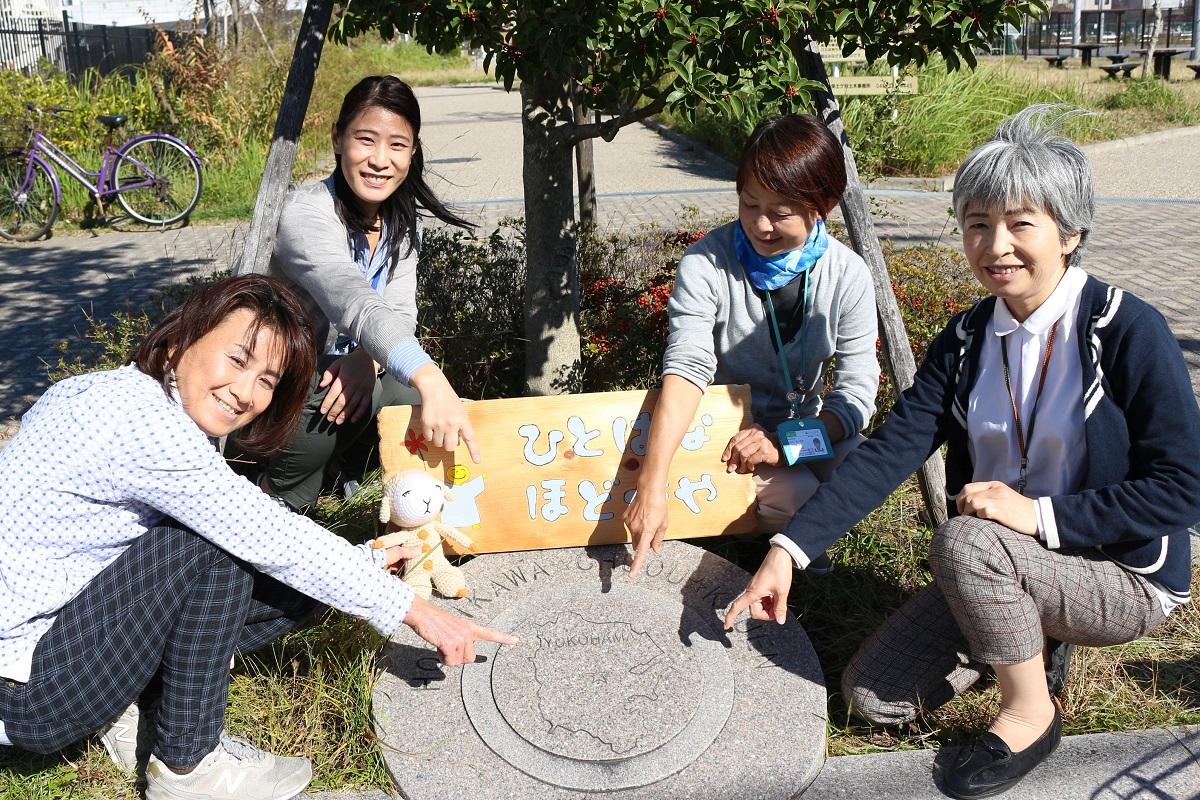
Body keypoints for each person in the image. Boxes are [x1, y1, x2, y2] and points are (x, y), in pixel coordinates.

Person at [723, 104, 1200, 799]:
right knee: (873, 698)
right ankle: (1034, 642)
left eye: (1019, 224)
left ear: (1070, 233)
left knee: (966, 541)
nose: (995, 244)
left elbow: (1184, 489)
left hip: (1121, 576)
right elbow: (890, 451)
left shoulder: (1125, 329)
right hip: (1013, 558)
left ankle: (1030, 712)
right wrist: (787, 550)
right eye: (978, 224)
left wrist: (1038, 516)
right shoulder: (971, 336)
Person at [0, 275, 515, 800]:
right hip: (27, 693)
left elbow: (265, 539)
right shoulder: (142, 425)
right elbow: (265, 533)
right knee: (211, 543)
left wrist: (362, 562)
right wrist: (416, 610)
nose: (246, 392)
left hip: (60, 636)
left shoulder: (119, 391)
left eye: (268, 380)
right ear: (181, 339)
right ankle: (189, 766)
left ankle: (140, 705)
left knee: (293, 582)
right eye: (237, 360)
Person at [625, 113, 879, 577]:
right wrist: (652, 482)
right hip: (727, 437)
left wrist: (786, 443)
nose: (761, 225)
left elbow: (856, 396)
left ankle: (789, 548)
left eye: (781, 212)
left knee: (865, 467)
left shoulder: (848, 274)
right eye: (748, 204)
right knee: (799, 495)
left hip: (802, 427)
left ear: (823, 205)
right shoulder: (707, 263)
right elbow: (687, 368)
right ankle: (789, 563)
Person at [228, 75, 479, 512]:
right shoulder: (306, 215)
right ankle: (275, 500)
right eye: (366, 140)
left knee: (415, 402)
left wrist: (369, 358)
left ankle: (377, 493)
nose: (380, 160)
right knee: (336, 392)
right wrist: (430, 374)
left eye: (397, 146)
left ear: (413, 151)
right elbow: (354, 301)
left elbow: (399, 310)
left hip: (350, 377)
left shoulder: (400, 222)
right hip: (279, 385)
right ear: (338, 139)